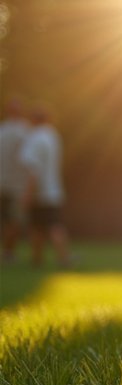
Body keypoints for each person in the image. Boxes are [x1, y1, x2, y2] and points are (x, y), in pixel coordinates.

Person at [19, 103, 72, 268]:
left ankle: (39, 259)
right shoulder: (52, 136)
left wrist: (28, 193)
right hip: (53, 190)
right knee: (52, 225)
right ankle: (59, 258)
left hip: (39, 192)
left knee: (37, 226)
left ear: (33, 120)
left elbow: (33, 169)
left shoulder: (34, 139)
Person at [0, 97, 31, 261]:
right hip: (17, 185)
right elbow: (28, 159)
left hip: (1, 182)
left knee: (4, 220)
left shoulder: (1, 130)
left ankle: (7, 252)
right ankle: (8, 253)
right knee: (15, 220)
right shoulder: (24, 131)